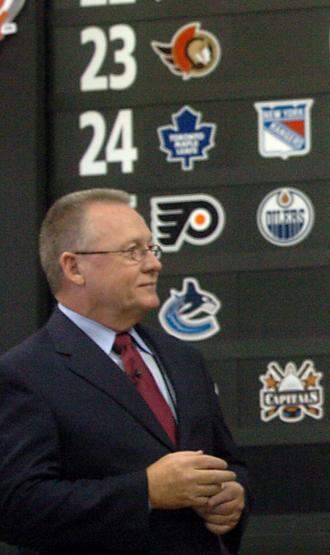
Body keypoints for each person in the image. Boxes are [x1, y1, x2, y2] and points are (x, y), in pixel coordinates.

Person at [0, 189, 250, 553]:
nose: (153, 264)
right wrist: (146, 491)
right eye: (132, 252)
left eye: (151, 249)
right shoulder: (26, 374)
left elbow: (229, 463)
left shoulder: (183, 360)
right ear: (73, 267)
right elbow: (16, 507)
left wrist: (234, 495)